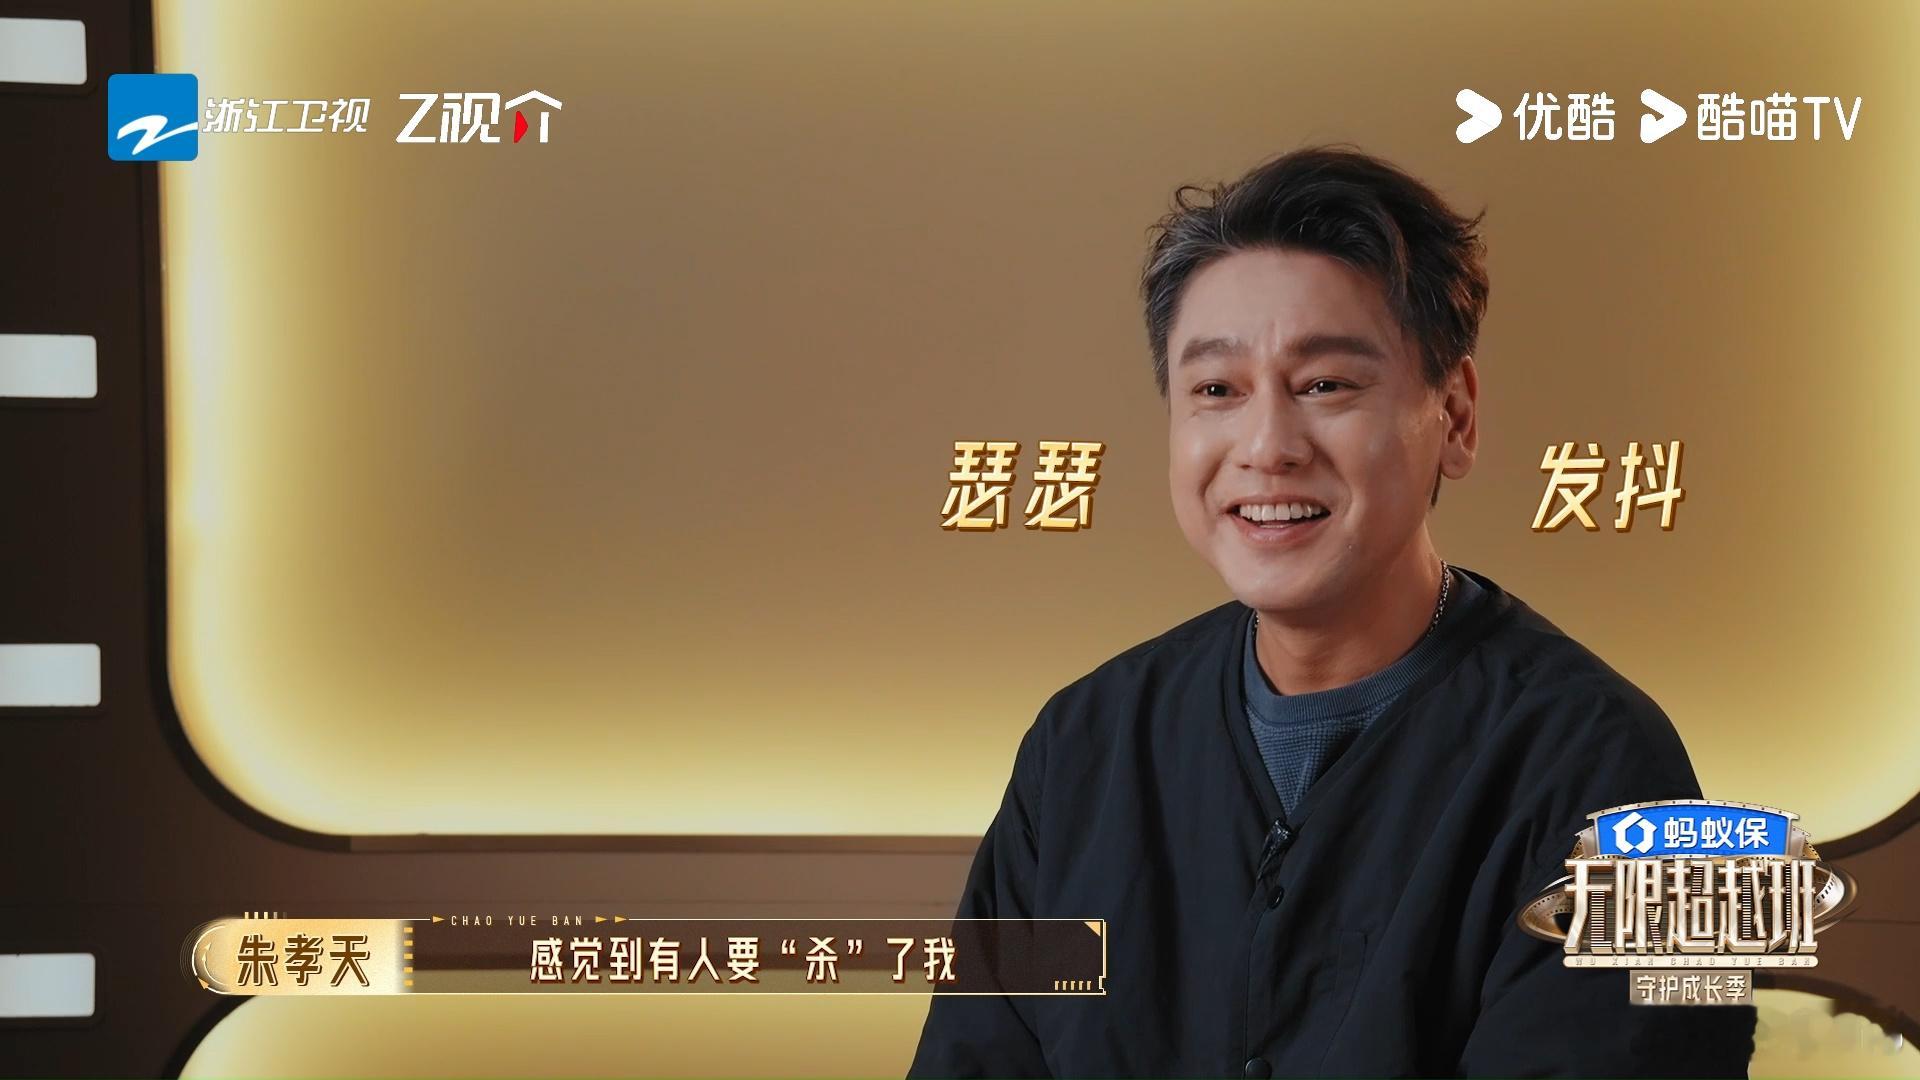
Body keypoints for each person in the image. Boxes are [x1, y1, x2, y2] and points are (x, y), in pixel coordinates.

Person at [908, 146, 1756, 1078]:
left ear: (1456, 416)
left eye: (1325, 385)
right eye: (1216, 391)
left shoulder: (1629, 780)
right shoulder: (1080, 746)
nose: (1266, 446)